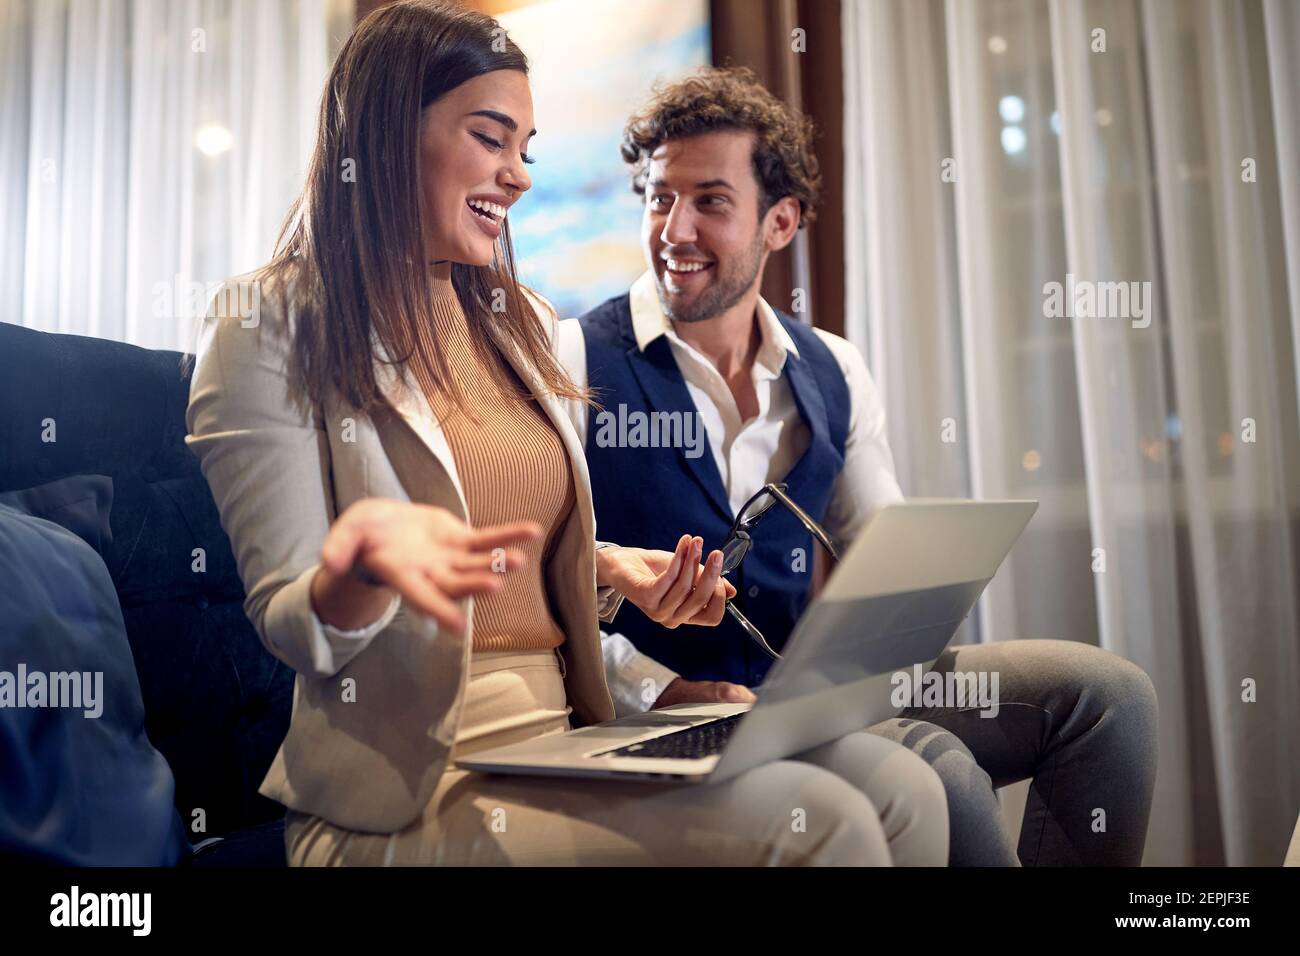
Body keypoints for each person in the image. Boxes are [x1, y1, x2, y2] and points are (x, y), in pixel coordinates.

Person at [184, 1, 949, 866]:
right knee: (820, 822)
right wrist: (357, 573)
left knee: (906, 789)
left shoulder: (524, 325)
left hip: (567, 736)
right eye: (490, 138)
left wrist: (613, 572)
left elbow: (513, 571)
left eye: (526, 150)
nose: (517, 176)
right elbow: (295, 623)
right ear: (391, 131)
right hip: (406, 789)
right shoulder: (265, 326)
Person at [556, 66, 1160, 866]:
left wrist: (882, 641)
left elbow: (885, 556)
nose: (673, 229)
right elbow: (542, 596)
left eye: (710, 201)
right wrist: (653, 686)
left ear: (780, 222)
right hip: (666, 708)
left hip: (811, 695)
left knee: (1109, 698)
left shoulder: (831, 366)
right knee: (940, 772)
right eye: (659, 197)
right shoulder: (573, 357)